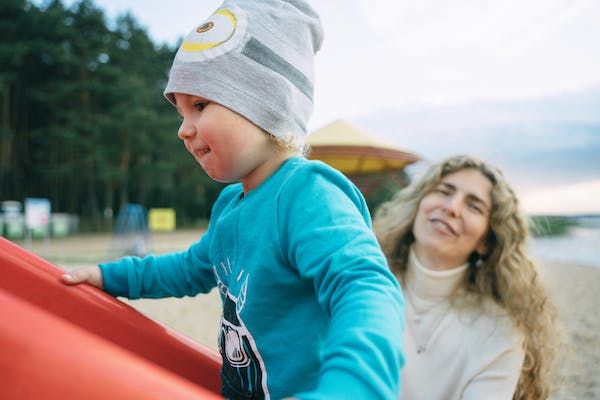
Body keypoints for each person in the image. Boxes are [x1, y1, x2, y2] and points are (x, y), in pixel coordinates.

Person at [62, 1, 404, 398]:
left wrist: (355, 387)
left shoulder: (307, 195)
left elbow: (364, 287)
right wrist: (110, 277)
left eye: (200, 105)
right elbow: (189, 269)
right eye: (180, 112)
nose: (182, 130)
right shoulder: (231, 205)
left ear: (264, 105)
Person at [373, 155, 559, 400]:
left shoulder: (499, 331)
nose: (451, 207)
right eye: (444, 191)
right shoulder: (365, 283)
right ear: (419, 203)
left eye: (474, 206)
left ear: (486, 241)